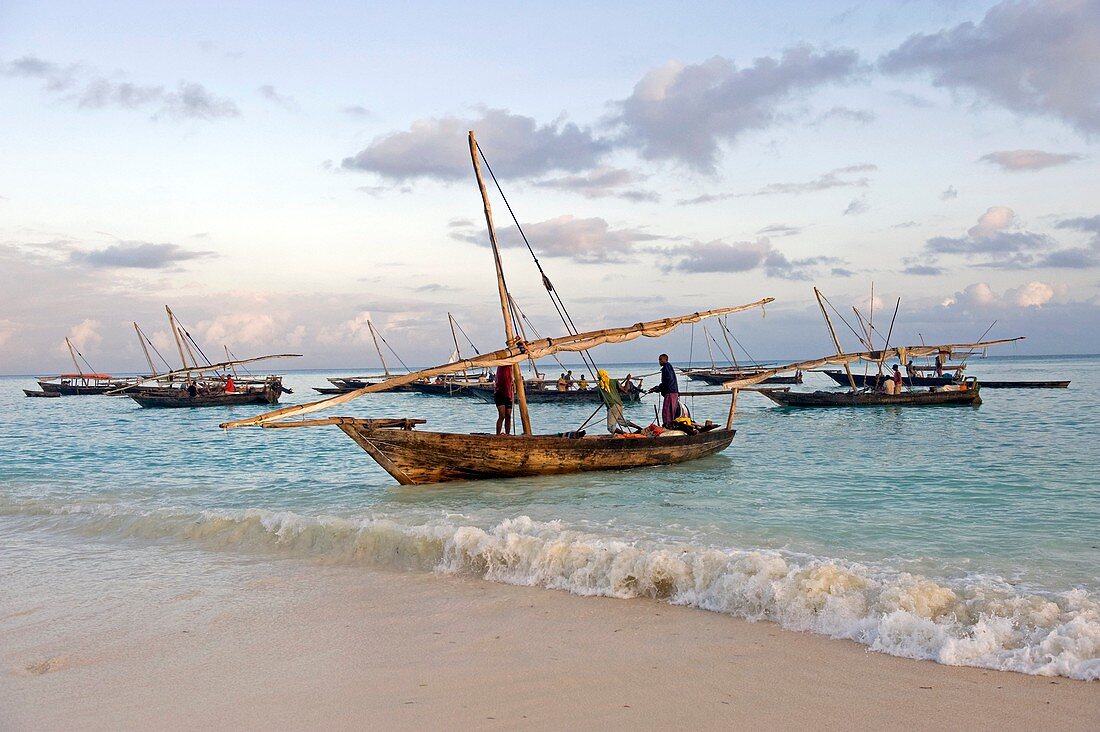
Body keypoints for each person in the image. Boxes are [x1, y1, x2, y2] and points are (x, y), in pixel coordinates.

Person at [647, 354, 680, 426]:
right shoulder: (668, 367)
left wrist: (659, 388)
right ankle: (670, 425)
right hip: (673, 392)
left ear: (666, 360)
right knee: (670, 411)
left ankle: (668, 426)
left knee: (667, 411)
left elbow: (668, 380)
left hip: (670, 393)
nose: (659, 361)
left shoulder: (666, 367)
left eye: (661, 359)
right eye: (659, 360)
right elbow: (666, 382)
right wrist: (657, 388)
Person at [597, 369, 632, 434]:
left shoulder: (599, 387)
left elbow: (601, 399)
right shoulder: (614, 381)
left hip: (612, 406)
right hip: (619, 405)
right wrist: (627, 380)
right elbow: (625, 391)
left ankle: (625, 434)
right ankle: (640, 429)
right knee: (622, 421)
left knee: (610, 427)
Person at [494, 364, 515, 435]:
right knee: (502, 415)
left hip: (508, 393)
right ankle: (498, 434)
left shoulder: (510, 366)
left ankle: (507, 434)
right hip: (499, 393)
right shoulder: (501, 365)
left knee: (508, 415)